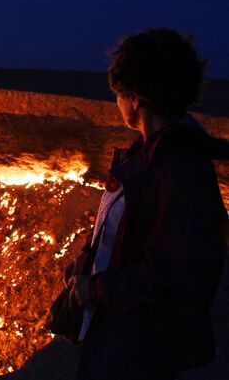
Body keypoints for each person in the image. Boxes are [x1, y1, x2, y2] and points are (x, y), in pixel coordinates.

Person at [65, 28, 229, 380]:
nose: (117, 101)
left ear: (135, 96)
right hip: (120, 338)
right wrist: (88, 258)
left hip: (140, 350)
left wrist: (93, 289)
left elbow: (169, 276)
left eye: (118, 93)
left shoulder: (179, 170)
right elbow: (131, 232)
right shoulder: (145, 156)